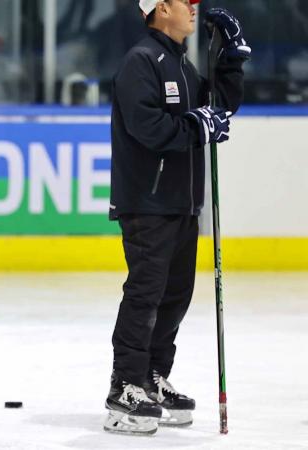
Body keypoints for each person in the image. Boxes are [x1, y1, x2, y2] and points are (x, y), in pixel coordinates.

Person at [105, 0, 249, 435]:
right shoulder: (141, 62)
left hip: (183, 204)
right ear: (158, 9)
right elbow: (147, 127)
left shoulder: (184, 69)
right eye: (183, 1)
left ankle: (151, 375)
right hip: (147, 203)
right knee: (146, 294)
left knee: (175, 296)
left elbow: (221, 108)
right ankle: (125, 385)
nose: (193, 7)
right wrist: (194, 127)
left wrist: (232, 59)